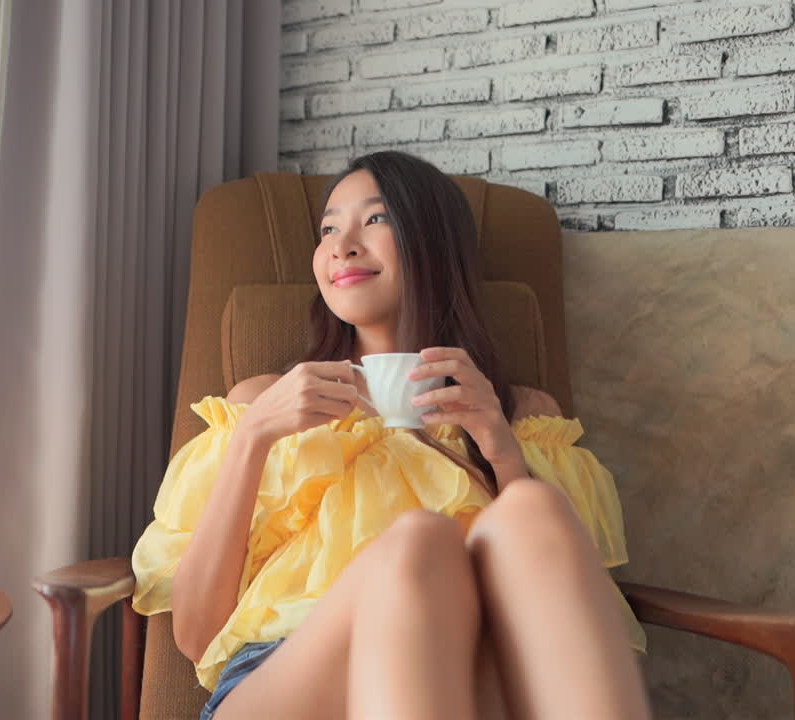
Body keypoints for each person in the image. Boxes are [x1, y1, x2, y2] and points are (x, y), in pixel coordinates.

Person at [130, 150, 651, 720]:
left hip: (473, 678)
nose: (342, 245)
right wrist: (254, 437)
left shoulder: (522, 417)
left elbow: (563, 620)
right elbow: (198, 638)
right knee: (418, 542)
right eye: (328, 228)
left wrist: (502, 452)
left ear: (433, 244)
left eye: (375, 220)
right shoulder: (263, 405)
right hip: (284, 678)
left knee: (530, 507)